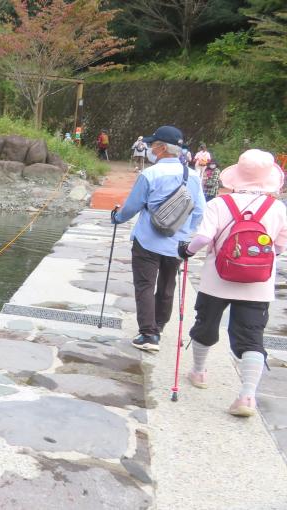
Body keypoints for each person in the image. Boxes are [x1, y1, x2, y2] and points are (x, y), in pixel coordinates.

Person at [178, 149, 287, 417]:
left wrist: (187, 251)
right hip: (257, 285)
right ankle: (247, 397)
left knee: (206, 324)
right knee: (251, 337)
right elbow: (280, 247)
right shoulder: (277, 208)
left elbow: (203, 238)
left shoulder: (219, 204)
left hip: (217, 279)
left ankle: (200, 373)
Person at [111, 125, 206, 352]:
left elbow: (131, 208)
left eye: (154, 145)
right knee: (167, 285)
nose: (151, 148)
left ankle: (148, 334)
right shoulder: (192, 175)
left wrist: (116, 217)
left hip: (148, 241)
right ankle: (158, 327)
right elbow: (200, 210)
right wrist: (185, 232)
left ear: (162, 148)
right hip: (178, 244)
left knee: (144, 285)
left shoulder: (150, 174)